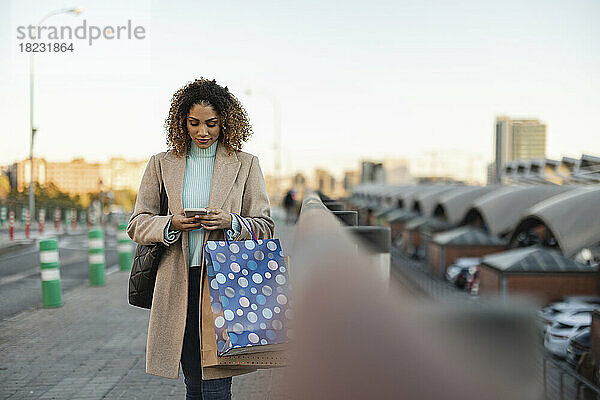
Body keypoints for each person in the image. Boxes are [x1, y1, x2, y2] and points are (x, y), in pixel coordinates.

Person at [127, 78, 274, 400]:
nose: (202, 132)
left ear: (226, 123)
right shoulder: (161, 164)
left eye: (212, 124)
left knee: (217, 382)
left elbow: (264, 226)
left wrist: (231, 222)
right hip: (179, 284)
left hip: (227, 283)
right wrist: (171, 224)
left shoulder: (247, 164)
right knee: (194, 380)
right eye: (194, 123)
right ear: (182, 122)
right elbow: (137, 224)